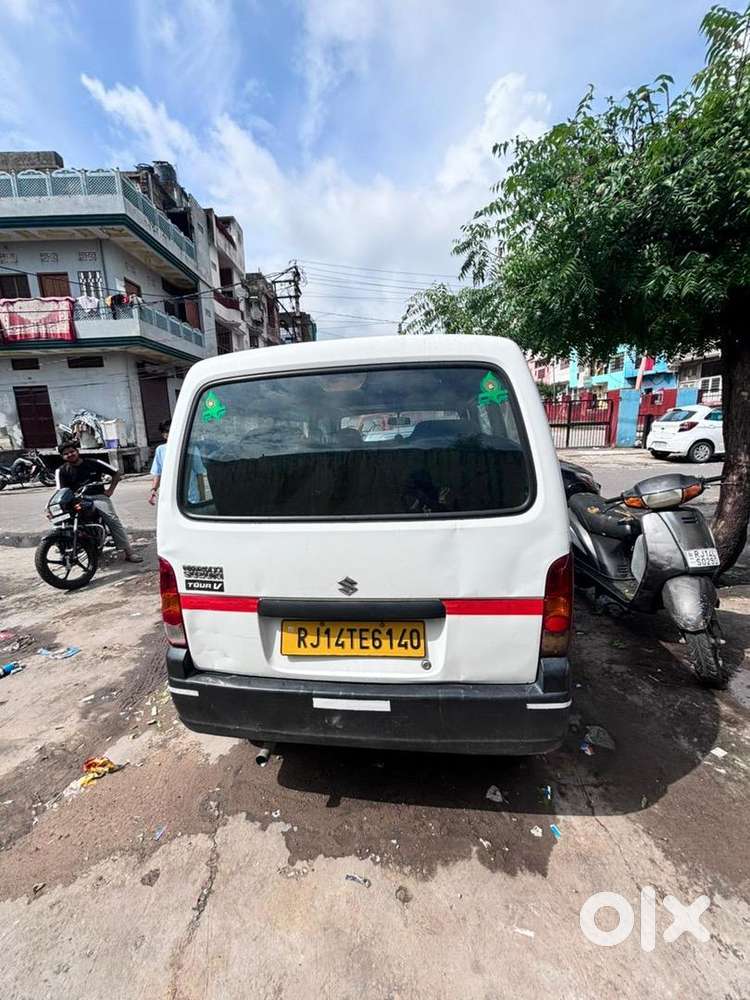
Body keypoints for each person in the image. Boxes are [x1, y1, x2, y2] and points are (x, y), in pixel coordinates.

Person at [56, 442, 143, 562]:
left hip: (97, 497)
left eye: (72, 451)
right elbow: (60, 491)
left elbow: (116, 473)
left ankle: (129, 552)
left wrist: (110, 490)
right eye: (66, 454)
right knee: (59, 521)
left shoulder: (93, 462)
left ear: (77, 451)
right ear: (62, 457)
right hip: (76, 499)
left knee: (112, 519)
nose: (70, 454)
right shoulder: (61, 471)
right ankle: (64, 551)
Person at [149, 419, 207, 506]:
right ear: (164, 435)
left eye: (173, 429)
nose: (171, 433)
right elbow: (158, 473)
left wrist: (202, 499)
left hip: (191, 498)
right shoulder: (160, 450)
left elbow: (199, 474)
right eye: (168, 431)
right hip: (171, 500)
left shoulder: (192, 449)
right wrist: (153, 490)